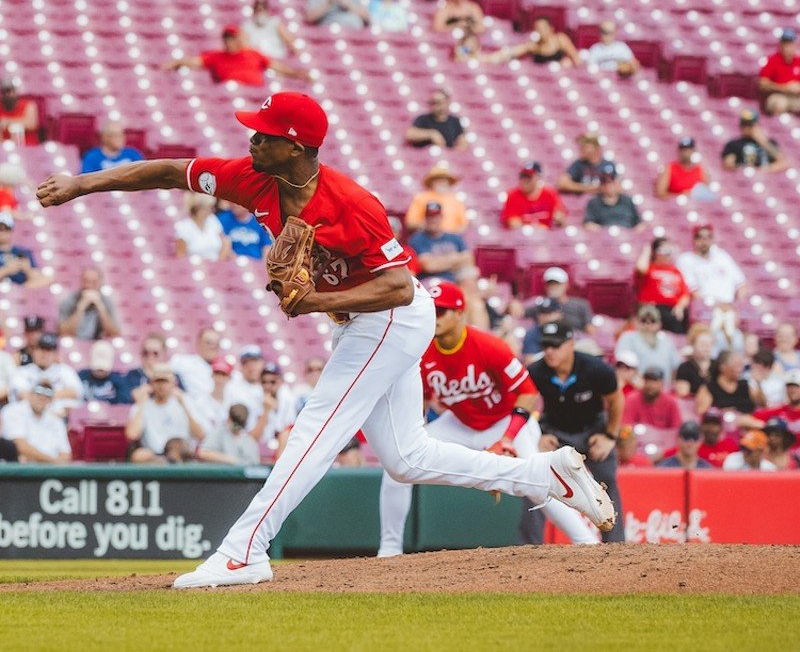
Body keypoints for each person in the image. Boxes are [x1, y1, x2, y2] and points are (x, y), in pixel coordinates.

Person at [36, 90, 614, 587]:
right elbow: (167, 171)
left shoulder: (352, 203)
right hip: (361, 320)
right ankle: (543, 475)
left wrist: (316, 301)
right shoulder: (251, 176)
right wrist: (81, 184)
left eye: (263, 135)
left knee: (317, 427)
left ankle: (243, 551)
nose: (251, 142)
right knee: (406, 458)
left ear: (297, 147)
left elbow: (397, 287)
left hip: (391, 315)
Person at [380, 283, 596, 556]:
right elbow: (422, 398)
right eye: (431, 310)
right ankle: (389, 548)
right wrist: (416, 428)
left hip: (505, 420)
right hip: (461, 422)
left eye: (442, 311)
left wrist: (506, 439)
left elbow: (528, 393)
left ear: (460, 313)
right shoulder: (422, 352)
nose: (434, 317)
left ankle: (588, 542)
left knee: (536, 483)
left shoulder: (487, 345)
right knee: (398, 461)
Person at [526, 321, 625, 543]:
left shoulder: (595, 369)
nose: (549, 351)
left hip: (592, 430)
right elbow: (524, 403)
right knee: (533, 479)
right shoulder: (536, 371)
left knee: (606, 481)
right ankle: (529, 547)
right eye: (546, 346)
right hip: (555, 431)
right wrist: (539, 433)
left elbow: (616, 399)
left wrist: (610, 436)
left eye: (556, 345)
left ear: (570, 345)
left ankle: (617, 547)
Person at [162, 25, 309, 88]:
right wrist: (175, 63)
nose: (229, 41)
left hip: (255, 94)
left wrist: (297, 74)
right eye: (226, 38)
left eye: (232, 38)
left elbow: (277, 67)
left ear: (238, 39)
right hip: (231, 95)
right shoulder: (216, 56)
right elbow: (193, 61)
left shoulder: (253, 54)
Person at [677, 224, 747, 345]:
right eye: (700, 237)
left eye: (708, 237)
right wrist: (717, 306)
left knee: (739, 341)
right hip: (706, 311)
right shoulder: (686, 259)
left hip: (729, 310)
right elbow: (693, 292)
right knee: (715, 341)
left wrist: (737, 306)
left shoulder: (722, 256)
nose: (704, 241)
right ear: (694, 239)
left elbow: (742, 285)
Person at [0, 383, 71, 462]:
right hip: (23, 469)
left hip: (52, 470)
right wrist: (53, 462)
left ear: (51, 400)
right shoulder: (13, 410)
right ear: (30, 394)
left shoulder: (56, 420)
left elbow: (66, 453)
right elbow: (19, 445)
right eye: (38, 392)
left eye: (48, 395)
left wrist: (54, 463)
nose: (42, 397)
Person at [409, 204, 472, 283]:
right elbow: (429, 266)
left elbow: (469, 260)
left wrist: (438, 261)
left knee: (470, 274)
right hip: (430, 282)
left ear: (441, 217)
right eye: (429, 217)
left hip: (454, 280)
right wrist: (454, 258)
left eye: (436, 217)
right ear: (425, 218)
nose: (432, 220)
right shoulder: (417, 239)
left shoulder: (454, 237)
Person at [500, 161, 566, 229]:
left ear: (538, 178)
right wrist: (538, 228)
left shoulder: (550, 194)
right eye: (522, 176)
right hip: (522, 238)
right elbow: (514, 224)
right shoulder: (513, 195)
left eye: (529, 177)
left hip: (547, 237)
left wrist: (559, 219)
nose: (524, 180)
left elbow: (560, 216)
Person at [696, 351, 762, 417]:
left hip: (752, 423)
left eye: (741, 365)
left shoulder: (745, 385)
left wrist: (758, 383)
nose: (740, 369)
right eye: (736, 365)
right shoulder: (709, 388)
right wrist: (724, 413)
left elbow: (762, 404)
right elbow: (701, 413)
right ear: (723, 366)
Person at [721, 109, 787, 172]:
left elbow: (782, 162)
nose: (746, 128)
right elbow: (728, 164)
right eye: (744, 124)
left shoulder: (769, 142)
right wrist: (742, 168)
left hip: (765, 179)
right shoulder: (733, 144)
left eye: (750, 125)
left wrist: (762, 141)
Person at [505, 17, 581, 67]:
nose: (541, 30)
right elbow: (512, 52)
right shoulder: (534, 45)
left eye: (543, 27)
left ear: (551, 28)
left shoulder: (561, 40)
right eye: (538, 28)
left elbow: (576, 59)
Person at [175, 194, 231, 261]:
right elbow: (181, 255)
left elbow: (225, 242)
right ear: (198, 209)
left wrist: (219, 261)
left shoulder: (212, 220)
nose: (212, 210)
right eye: (209, 207)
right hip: (195, 267)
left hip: (217, 265)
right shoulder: (184, 227)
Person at [583, 165, 640, 229]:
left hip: (628, 235)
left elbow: (639, 223)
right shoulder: (594, 203)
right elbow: (589, 224)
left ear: (617, 182)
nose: (608, 185)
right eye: (604, 181)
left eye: (611, 181)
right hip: (604, 236)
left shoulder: (628, 201)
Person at [760, 27, 800, 116]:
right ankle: (777, 128)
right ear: (780, 45)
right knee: (778, 104)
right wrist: (784, 87)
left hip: (796, 97)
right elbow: (763, 84)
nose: (788, 47)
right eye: (785, 44)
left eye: (790, 44)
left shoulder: (798, 61)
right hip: (778, 95)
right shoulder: (773, 60)